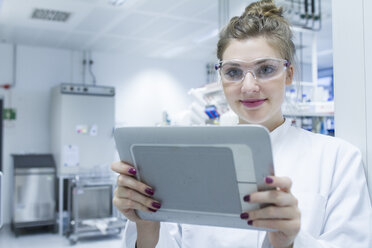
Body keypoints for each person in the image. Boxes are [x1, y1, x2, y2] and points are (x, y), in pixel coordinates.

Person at [111, 0, 372, 247]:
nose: (248, 87)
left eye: (266, 69)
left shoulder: (338, 159)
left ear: (289, 73)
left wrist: (292, 241)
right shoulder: (192, 159)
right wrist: (145, 224)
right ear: (221, 77)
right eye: (234, 72)